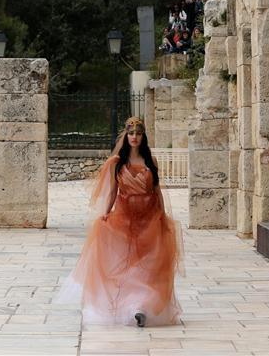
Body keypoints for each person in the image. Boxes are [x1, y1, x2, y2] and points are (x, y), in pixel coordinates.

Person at [57, 117, 182, 327]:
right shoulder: (117, 163)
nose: (134, 137)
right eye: (131, 133)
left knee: (149, 264)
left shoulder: (149, 160)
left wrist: (163, 214)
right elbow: (113, 192)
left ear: (143, 136)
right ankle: (131, 306)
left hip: (150, 218)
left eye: (139, 133)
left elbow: (157, 190)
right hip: (125, 217)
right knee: (127, 262)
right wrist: (105, 213)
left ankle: (144, 306)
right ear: (126, 135)